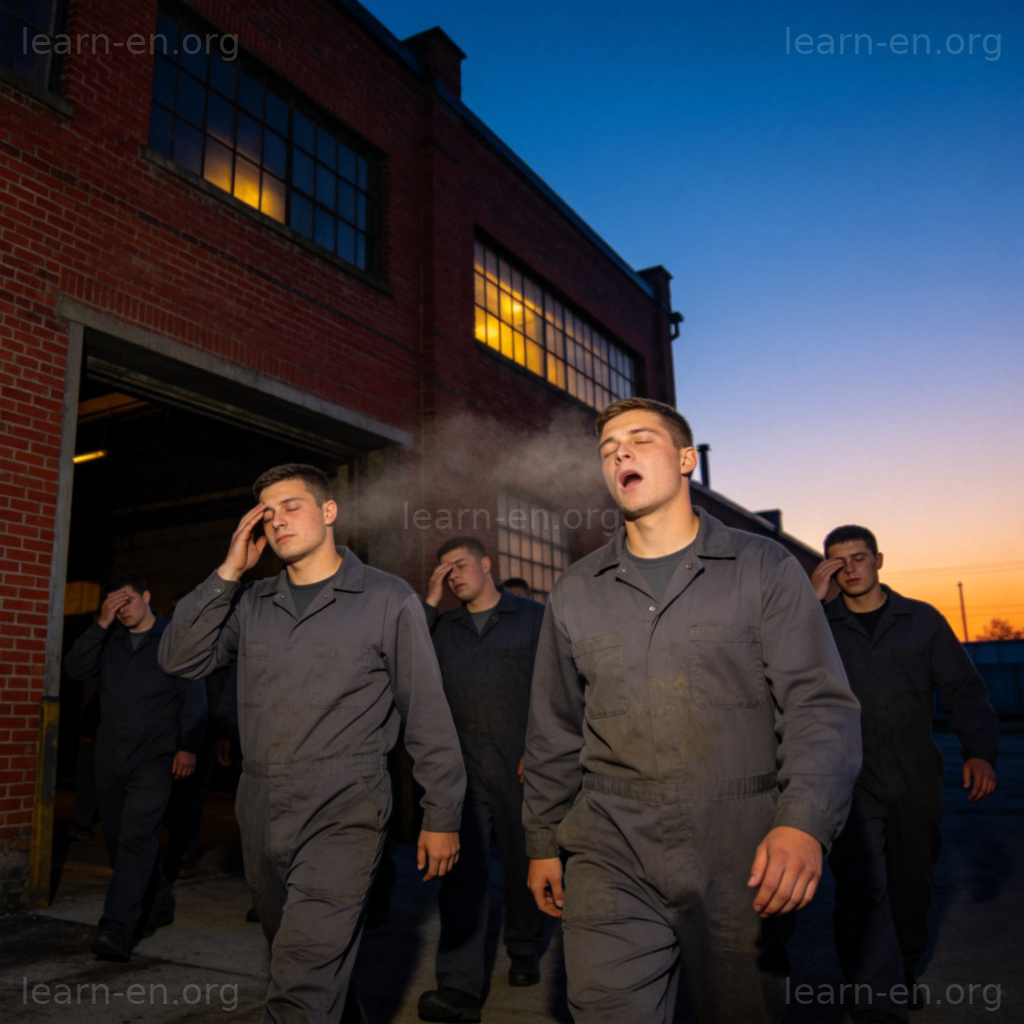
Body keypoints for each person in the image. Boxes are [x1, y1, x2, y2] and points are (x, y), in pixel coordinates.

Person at [523, 397, 862, 1024]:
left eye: (640, 439)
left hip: (739, 842)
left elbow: (818, 706)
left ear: (686, 460)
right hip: (610, 840)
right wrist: (543, 840)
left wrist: (803, 822)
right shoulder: (576, 590)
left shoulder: (762, 569)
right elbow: (554, 730)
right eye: (607, 447)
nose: (619, 451)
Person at [159, 463, 466, 1024]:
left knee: (301, 976)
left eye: (291, 506)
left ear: (329, 513)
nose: (277, 522)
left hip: (345, 802)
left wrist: (441, 811)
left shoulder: (386, 598)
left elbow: (425, 710)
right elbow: (179, 658)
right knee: (302, 959)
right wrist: (228, 571)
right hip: (260, 800)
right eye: (266, 514)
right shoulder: (251, 603)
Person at [812, 525, 998, 1024]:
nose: (850, 568)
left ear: (879, 560)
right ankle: (869, 988)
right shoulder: (817, 627)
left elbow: (964, 690)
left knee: (912, 882)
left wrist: (979, 752)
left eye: (859, 557)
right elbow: (771, 669)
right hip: (848, 775)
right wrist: (809, 605)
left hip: (915, 771)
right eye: (838, 561)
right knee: (860, 886)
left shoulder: (922, 621)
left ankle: (903, 972)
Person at [418, 538, 546, 1024]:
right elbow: (403, 655)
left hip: (521, 768)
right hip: (463, 773)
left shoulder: (532, 618)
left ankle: (524, 950)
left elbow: (555, 689)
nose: (453, 575)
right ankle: (458, 986)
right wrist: (429, 602)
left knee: (523, 864)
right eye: (444, 569)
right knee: (461, 877)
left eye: (461, 564)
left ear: (487, 565)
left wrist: (540, 748)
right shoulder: (441, 628)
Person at [63, 571, 206, 962]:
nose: (122, 609)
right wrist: (101, 623)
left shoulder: (173, 639)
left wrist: (187, 747)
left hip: (155, 759)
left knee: (135, 837)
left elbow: (194, 698)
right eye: (113, 603)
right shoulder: (107, 638)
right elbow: (75, 669)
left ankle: (117, 928)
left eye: (127, 600)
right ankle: (159, 900)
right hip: (111, 757)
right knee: (116, 838)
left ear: (146, 595)